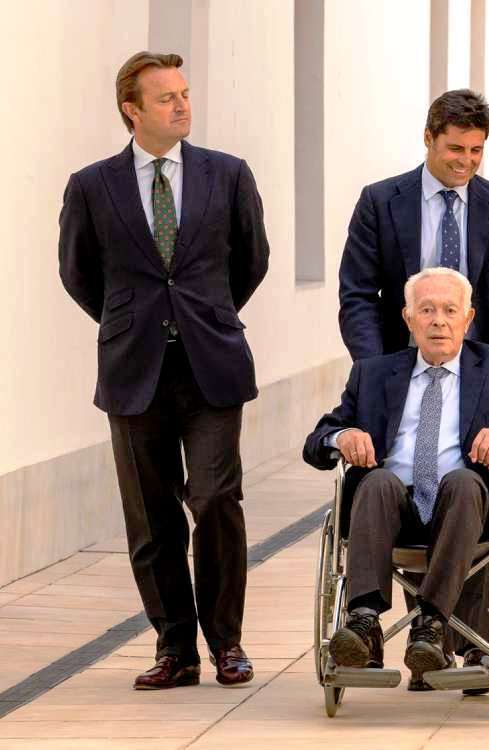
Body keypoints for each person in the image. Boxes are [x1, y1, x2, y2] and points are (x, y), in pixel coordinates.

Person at [58, 51, 269, 690]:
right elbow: (79, 272)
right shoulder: (92, 186)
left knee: (214, 498)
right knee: (151, 516)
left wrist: (205, 316)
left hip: (211, 365)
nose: (181, 105)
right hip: (133, 369)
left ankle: (227, 642)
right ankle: (175, 649)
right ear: (132, 110)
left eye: (184, 93)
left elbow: (251, 260)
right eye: (165, 97)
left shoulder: (226, 174)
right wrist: (131, 322)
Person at [304, 269, 489, 676]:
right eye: (427, 310)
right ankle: (363, 621)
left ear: (467, 318)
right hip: (390, 512)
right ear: (408, 318)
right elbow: (317, 442)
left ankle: (432, 625)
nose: (438, 320)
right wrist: (344, 436)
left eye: (449, 310)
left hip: (468, 511)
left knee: (461, 481)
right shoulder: (373, 373)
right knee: (377, 480)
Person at [338, 88, 489, 365]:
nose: (466, 160)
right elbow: (358, 294)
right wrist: (374, 368)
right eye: (456, 148)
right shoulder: (379, 202)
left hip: (480, 369)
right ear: (428, 137)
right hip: (398, 363)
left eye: (476, 150)